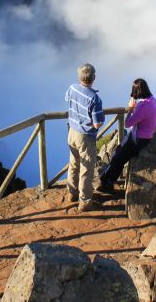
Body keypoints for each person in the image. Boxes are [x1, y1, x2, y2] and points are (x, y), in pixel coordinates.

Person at [98, 78, 156, 193]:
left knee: (118, 159)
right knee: (117, 154)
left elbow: (127, 123)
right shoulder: (153, 100)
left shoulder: (143, 106)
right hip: (145, 136)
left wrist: (131, 109)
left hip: (137, 139)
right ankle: (105, 179)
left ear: (137, 92)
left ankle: (107, 182)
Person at [65, 63, 105, 212]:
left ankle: (71, 193)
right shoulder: (95, 99)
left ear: (79, 77)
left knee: (73, 163)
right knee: (86, 170)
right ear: (93, 78)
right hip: (85, 136)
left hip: (72, 132)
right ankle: (85, 202)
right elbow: (97, 124)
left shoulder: (72, 88)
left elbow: (67, 100)